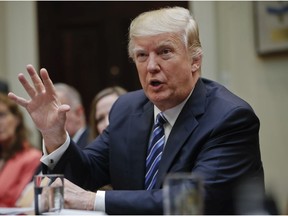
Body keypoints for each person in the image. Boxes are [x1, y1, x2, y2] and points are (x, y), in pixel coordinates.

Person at [8, 6, 264, 214]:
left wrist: (92, 201)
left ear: (195, 61)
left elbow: (191, 201)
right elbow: (84, 176)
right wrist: (54, 135)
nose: (151, 66)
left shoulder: (229, 118)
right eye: (142, 55)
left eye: (164, 52)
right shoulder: (127, 109)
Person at [0, 93, 41, 207]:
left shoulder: (32, 157)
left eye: (2, 115)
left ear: (17, 119)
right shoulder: (3, 155)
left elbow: (20, 201)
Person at [54, 83, 89, 149]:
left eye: (58, 112)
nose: (52, 120)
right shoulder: (59, 148)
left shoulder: (93, 142)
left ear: (78, 113)